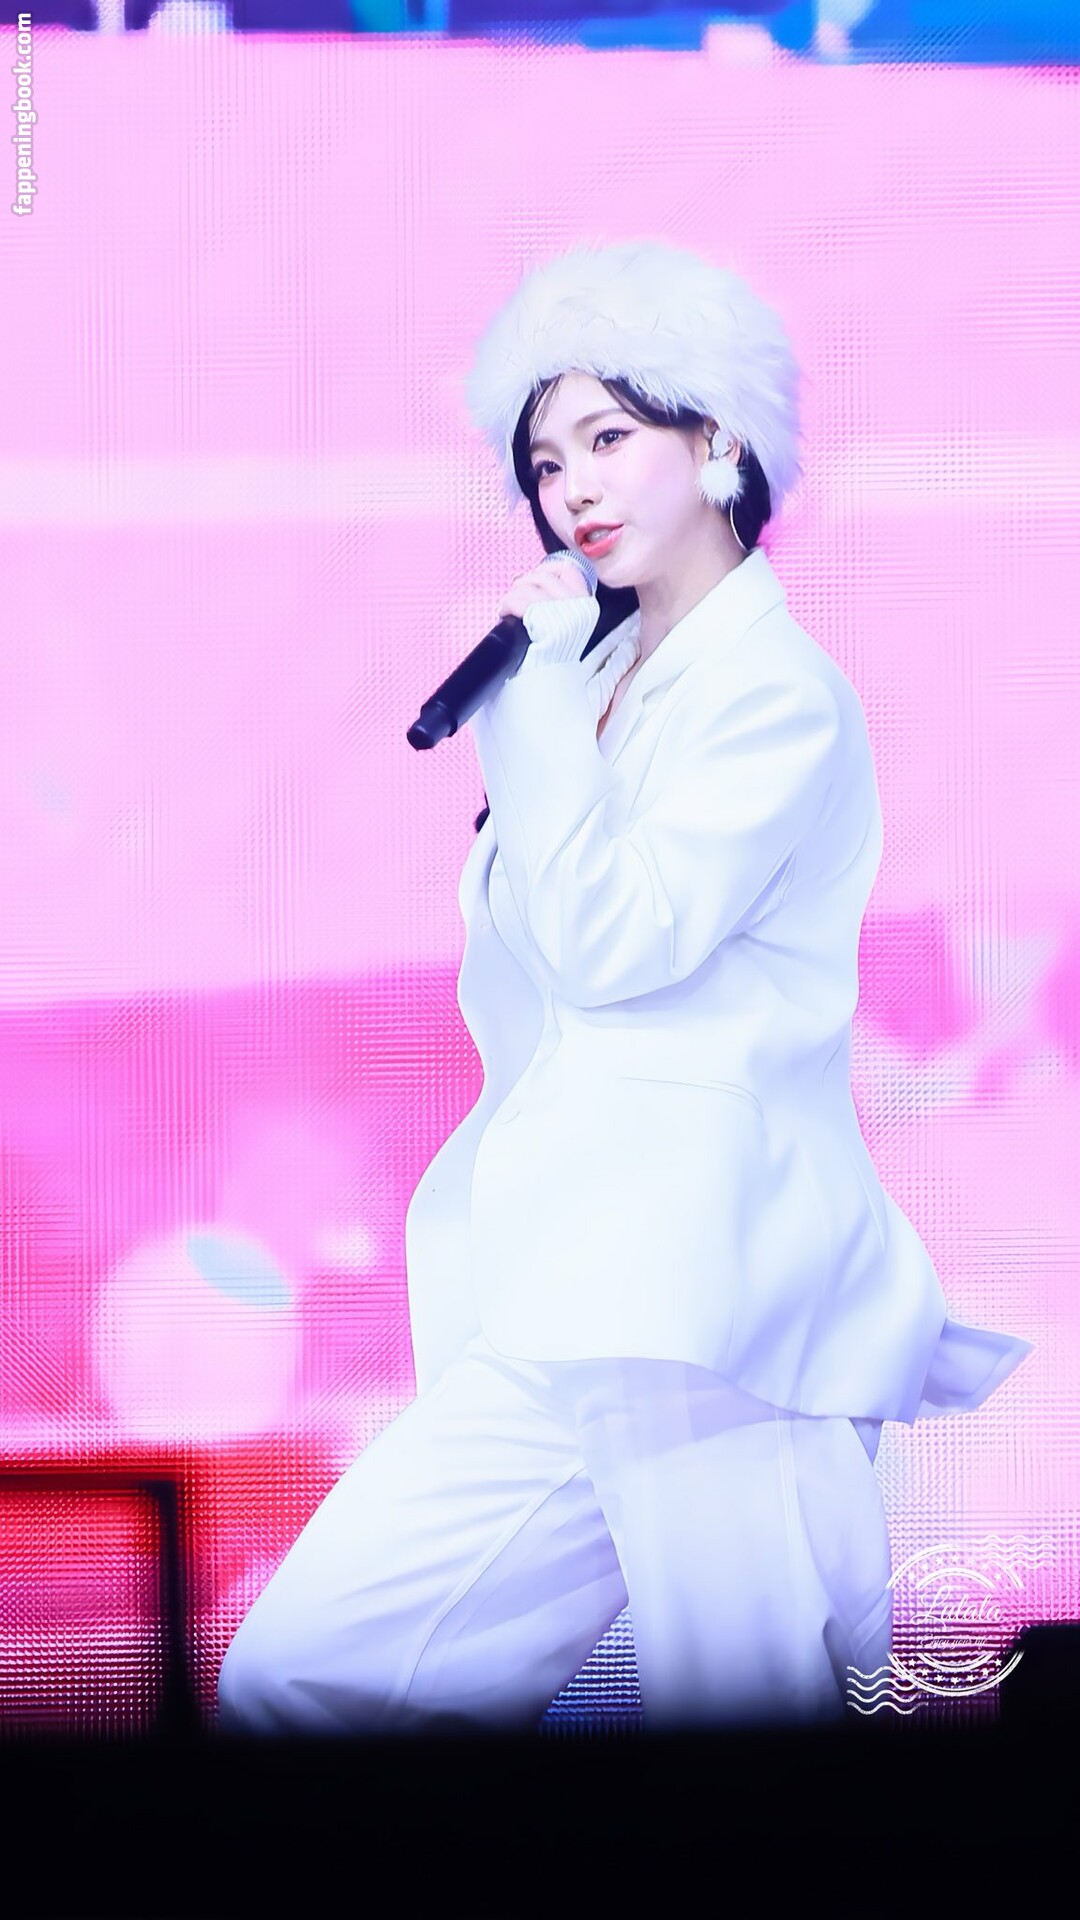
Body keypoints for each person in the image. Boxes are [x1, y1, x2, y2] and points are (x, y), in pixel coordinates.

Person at [216, 237, 1031, 1735]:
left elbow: (616, 943)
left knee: (756, 1726)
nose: (571, 489)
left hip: (715, 1295)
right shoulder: (589, 682)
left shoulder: (774, 696)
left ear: (718, 440)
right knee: (301, 1681)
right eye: (544, 462)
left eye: (608, 439)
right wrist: (546, 701)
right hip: (570, 1289)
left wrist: (527, 710)